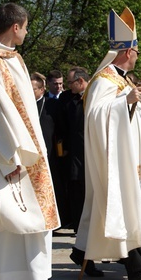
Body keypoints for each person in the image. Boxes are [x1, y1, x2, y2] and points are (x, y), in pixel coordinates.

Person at [73, 7, 141, 280]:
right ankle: (138, 270)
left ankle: (81, 253)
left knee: (115, 210)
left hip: (129, 157)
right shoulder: (104, 79)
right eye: (137, 52)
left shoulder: (123, 80)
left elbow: (128, 112)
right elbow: (95, 116)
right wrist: (126, 102)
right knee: (125, 210)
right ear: (128, 52)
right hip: (113, 160)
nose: (138, 58)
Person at [0, 3, 60, 280]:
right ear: (16, 27)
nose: (27, 31)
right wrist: (9, 156)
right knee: (6, 219)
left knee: (28, 220)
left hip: (29, 155)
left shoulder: (14, 59)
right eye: (26, 26)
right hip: (8, 157)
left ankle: (20, 276)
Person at [56, 67, 89, 234]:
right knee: (75, 187)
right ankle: (78, 224)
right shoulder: (67, 98)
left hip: (90, 151)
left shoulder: (95, 95)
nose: (68, 86)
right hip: (73, 151)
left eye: (70, 83)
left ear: (80, 81)